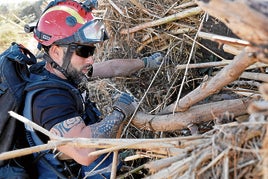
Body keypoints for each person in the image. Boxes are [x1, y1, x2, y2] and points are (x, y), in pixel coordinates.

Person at [14, 0, 164, 178]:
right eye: (83, 51)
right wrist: (120, 113)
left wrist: (146, 63)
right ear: (55, 52)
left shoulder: (62, 71)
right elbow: (84, 153)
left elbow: (111, 68)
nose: (90, 59)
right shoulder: (49, 99)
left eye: (91, 51)